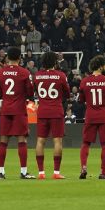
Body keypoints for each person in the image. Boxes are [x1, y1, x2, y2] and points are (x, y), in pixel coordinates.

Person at [0, 47, 34, 180]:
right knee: (22, 140)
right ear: (19, 58)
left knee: (3, 141)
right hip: (19, 110)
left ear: (7, 58)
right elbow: (30, 91)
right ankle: (23, 172)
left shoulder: (0, 73)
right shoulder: (24, 72)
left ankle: (1, 172)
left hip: (6, 109)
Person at [78, 55, 105, 179]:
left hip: (90, 116)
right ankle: (103, 172)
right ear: (100, 67)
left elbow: (81, 100)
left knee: (85, 143)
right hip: (104, 116)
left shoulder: (84, 81)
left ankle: (83, 167)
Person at [33, 51, 71, 179]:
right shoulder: (61, 75)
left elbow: (34, 90)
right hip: (56, 111)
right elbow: (67, 93)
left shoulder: (37, 76)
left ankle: (41, 173)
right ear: (55, 62)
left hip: (42, 110)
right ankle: (56, 172)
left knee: (40, 140)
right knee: (57, 141)